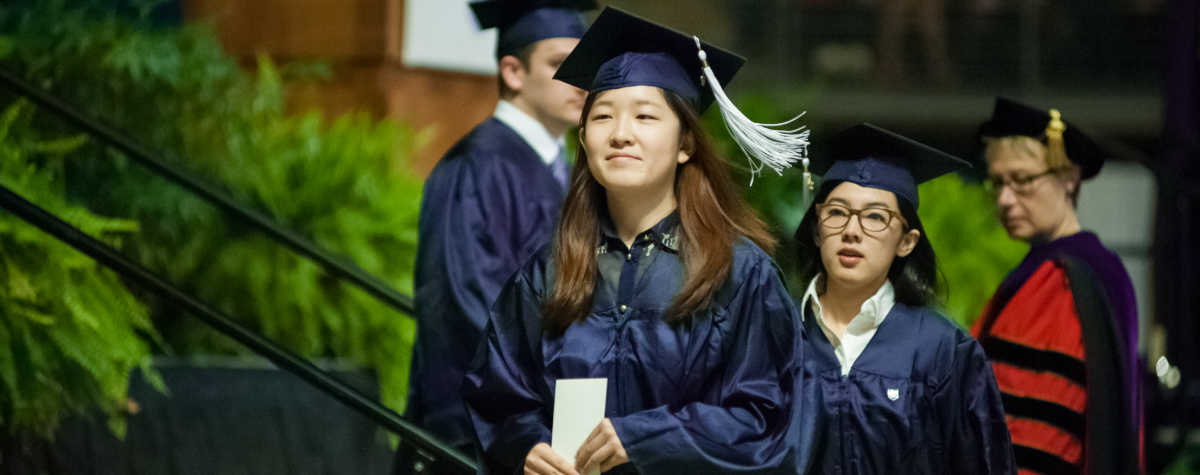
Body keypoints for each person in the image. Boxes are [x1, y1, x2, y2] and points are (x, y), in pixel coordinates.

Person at [462, 7, 810, 475]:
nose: (621, 134)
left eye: (645, 116)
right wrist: (527, 447)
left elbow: (769, 420)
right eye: (603, 116)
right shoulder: (548, 273)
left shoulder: (739, 275)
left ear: (686, 144)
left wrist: (648, 438)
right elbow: (498, 397)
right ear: (584, 140)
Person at [406, 0, 597, 454]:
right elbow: (461, 306)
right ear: (513, 72)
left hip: (550, 419)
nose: (580, 82)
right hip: (491, 429)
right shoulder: (476, 166)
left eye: (584, 65)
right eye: (559, 64)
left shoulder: (565, 169)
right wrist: (517, 424)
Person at [793, 124, 1016, 474]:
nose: (852, 230)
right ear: (816, 228)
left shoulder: (943, 351)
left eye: (875, 217)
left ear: (906, 242)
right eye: (836, 212)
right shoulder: (777, 336)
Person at [971, 98, 1140, 475]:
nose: (1005, 200)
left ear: (1069, 177)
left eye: (1023, 180)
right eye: (997, 182)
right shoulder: (1090, 270)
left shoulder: (1060, 280)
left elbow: (1036, 433)